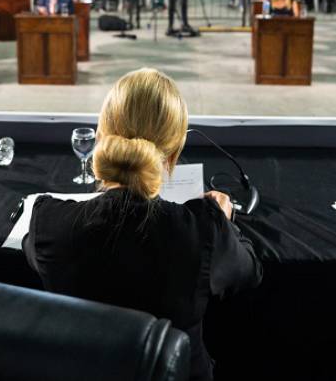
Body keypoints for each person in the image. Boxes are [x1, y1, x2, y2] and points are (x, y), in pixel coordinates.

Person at [25, 69, 263, 381]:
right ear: (174, 153)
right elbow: (250, 272)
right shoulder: (204, 229)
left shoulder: (49, 220)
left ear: (101, 139)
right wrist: (225, 222)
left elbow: (34, 249)